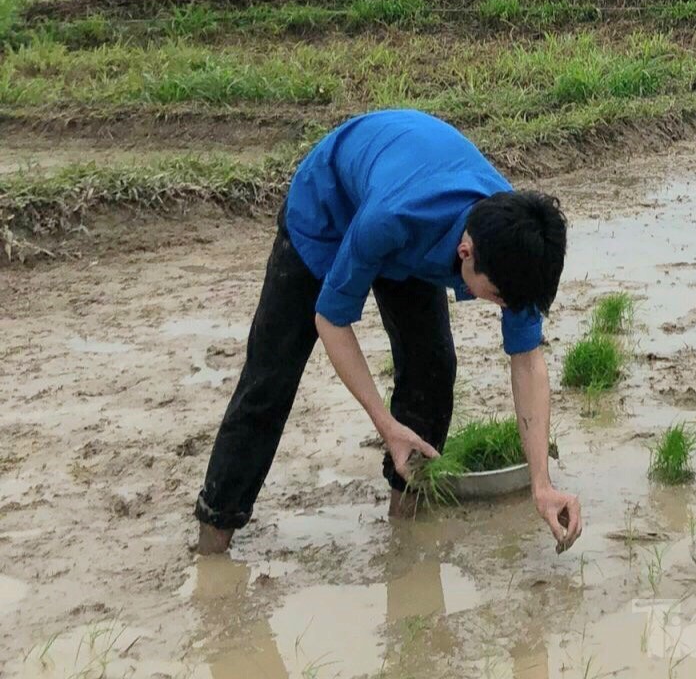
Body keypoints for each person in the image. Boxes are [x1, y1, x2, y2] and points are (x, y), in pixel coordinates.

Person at [194, 109, 582, 554]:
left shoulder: (516, 245)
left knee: (432, 370)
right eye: (494, 298)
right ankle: (214, 534)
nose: (500, 308)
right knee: (271, 376)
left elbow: (528, 361)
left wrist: (541, 484)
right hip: (329, 214)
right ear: (465, 252)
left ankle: (407, 524)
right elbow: (331, 321)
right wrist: (385, 424)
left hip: (410, 223)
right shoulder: (393, 219)